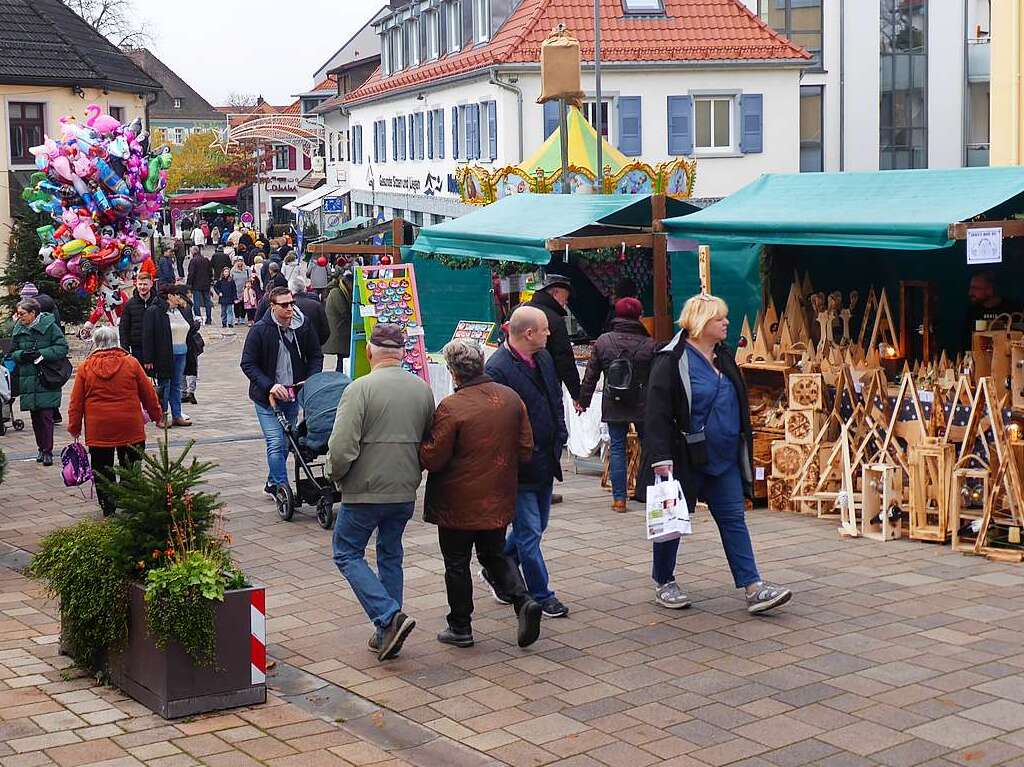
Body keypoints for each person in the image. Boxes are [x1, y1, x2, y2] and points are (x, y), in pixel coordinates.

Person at [642, 293, 792, 614]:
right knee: (672, 521)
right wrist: (660, 458)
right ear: (699, 323)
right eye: (718, 318)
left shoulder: (724, 356)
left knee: (733, 519)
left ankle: (754, 587)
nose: (726, 322)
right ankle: (664, 581)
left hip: (723, 457)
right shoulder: (671, 360)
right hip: (684, 457)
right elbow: (655, 413)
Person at [420, 339, 543, 649]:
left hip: (456, 501)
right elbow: (526, 449)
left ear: (453, 372)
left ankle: (460, 626)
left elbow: (434, 457)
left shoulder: (452, 406)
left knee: (457, 562)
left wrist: (419, 446)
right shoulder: (510, 398)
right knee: (493, 552)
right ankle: (522, 598)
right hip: (497, 495)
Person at [328, 323, 435, 662]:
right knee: (390, 553)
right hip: (404, 488)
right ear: (403, 354)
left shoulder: (360, 389)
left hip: (365, 489)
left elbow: (342, 446)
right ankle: (387, 629)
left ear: (369, 352)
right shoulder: (421, 389)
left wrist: (334, 475)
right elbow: (429, 439)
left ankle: (389, 616)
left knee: (346, 551)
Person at [483, 306, 570, 618]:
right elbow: (496, 423)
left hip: (546, 459)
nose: (550, 333)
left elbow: (554, 398)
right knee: (530, 532)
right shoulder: (498, 369)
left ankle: (497, 568)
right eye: (545, 329)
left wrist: (560, 435)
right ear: (528, 333)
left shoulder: (544, 358)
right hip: (518, 467)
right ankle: (541, 594)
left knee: (536, 527)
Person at [67, 326, 162, 516]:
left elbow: (76, 401)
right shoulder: (131, 363)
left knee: (102, 468)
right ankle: (130, 501)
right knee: (131, 466)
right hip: (129, 425)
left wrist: (74, 426)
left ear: (95, 343)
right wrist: (157, 415)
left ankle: (108, 506)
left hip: (99, 428)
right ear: (116, 341)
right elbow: (148, 394)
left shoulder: (86, 367)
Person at [240, 286, 324, 495]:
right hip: (267, 399)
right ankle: (281, 487)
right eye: (284, 305)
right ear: (273, 306)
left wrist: (310, 379)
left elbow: (316, 355)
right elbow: (248, 363)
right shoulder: (260, 330)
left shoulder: (303, 326)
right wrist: (270, 385)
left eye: (292, 303)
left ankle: (272, 481)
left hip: (293, 395)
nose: (290, 309)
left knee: (287, 441)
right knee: (276, 441)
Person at [579, 297, 656, 512]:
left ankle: (619, 499)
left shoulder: (603, 342)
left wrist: (583, 401)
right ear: (639, 316)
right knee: (649, 446)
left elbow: (591, 375)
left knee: (618, 447)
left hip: (615, 401)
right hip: (643, 402)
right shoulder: (650, 344)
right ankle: (649, 492)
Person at [10, 298, 69, 465]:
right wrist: (22, 355)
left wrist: (42, 354)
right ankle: (41, 449)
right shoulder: (18, 328)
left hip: (46, 377)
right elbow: (13, 352)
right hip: (28, 379)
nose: (19, 317)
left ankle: (48, 450)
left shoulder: (50, 326)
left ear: (33, 313)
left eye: (22, 314)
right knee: (35, 417)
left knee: (46, 416)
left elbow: (62, 347)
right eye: (18, 313)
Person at [142, 284, 198, 428]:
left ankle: (177, 415)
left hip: (182, 353)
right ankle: (162, 416)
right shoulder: (155, 311)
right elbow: (148, 335)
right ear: (169, 296)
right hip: (164, 354)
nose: (179, 297)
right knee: (164, 386)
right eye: (176, 295)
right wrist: (148, 358)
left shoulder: (181, 310)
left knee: (177, 384)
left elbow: (188, 327)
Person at [523, 274, 582, 405]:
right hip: (547, 386)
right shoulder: (555, 320)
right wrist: (576, 393)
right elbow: (564, 358)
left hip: (518, 386)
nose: (566, 303)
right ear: (555, 293)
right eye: (565, 298)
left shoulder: (519, 310)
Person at [964, 271, 1021, 347]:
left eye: (975, 288)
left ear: (990, 290)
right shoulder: (972, 312)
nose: (970, 293)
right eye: (971, 288)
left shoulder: (1012, 309)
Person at [119, 271, 158, 362]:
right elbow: (124, 328)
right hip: (137, 347)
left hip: (155, 347)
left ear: (151, 284)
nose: (142, 287)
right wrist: (125, 349)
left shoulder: (158, 303)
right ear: (136, 284)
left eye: (145, 284)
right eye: (140, 284)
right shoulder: (129, 304)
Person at [323, 269, 353, 372]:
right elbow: (344, 312)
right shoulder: (337, 293)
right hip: (339, 331)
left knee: (342, 358)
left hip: (340, 330)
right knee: (342, 359)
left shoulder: (338, 291)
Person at [186, 245, 213, 324]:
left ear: (194, 252)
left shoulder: (193, 261)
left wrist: (188, 285)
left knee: (197, 302)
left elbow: (191, 274)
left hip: (196, 284)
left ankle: (198, 318)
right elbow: (210, 272)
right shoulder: (206, 260)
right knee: (207, 301)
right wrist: (210, 281)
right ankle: (209, 318)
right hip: (206, 284)